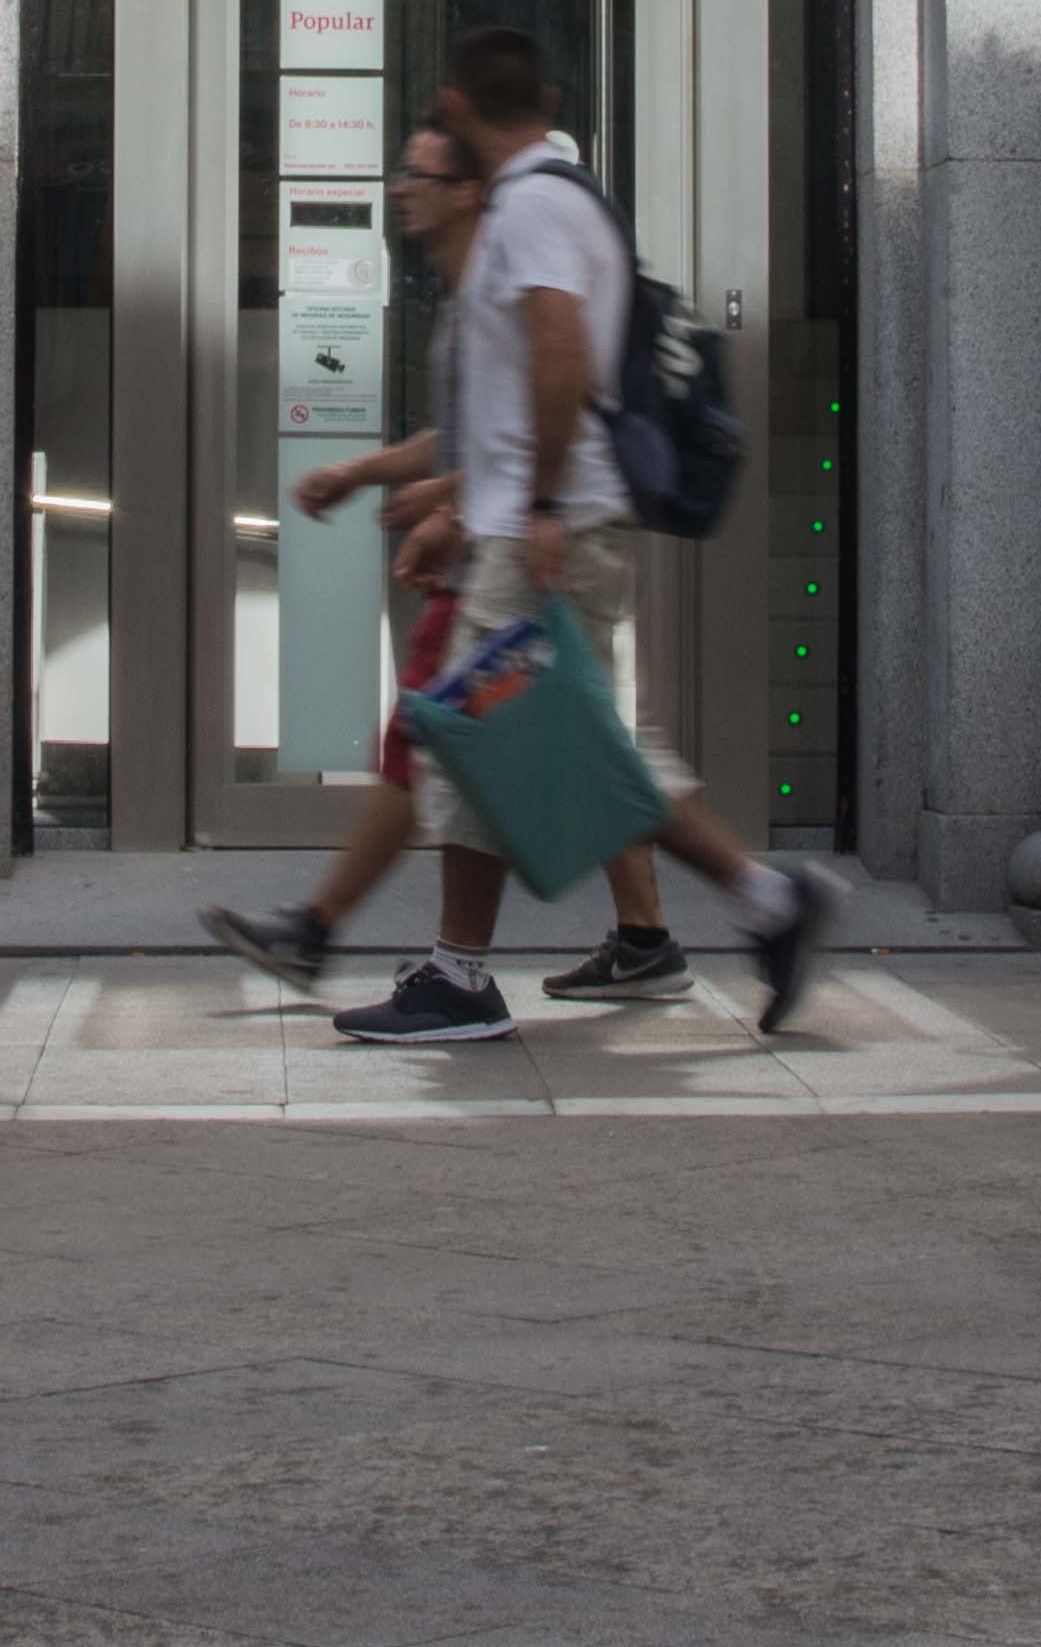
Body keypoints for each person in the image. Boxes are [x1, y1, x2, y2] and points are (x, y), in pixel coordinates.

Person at [343, 26, 838, 1046]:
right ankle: (759, 903)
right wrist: (468, 513)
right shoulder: (565, 200)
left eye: (443, 120)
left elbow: (558, 359)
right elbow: (520, 390)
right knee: (547, 741)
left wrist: (535, 508)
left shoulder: (529, 207)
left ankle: (461, 975)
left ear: (466, 107)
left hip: (552, 532)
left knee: (489, 736)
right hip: (548, 523)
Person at [200, 119, 692, 1002]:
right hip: (502, 549)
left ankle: (373, 946)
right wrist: (374, 476)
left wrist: (450, 513)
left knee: (444, 740)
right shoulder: (478, 289)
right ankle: (651, 933)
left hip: (509, 560)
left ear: (471, 188)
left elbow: (531, 434)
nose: (400, 188)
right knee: (575, 746)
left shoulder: (511, 288)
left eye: (418, 172)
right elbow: (476, 440)